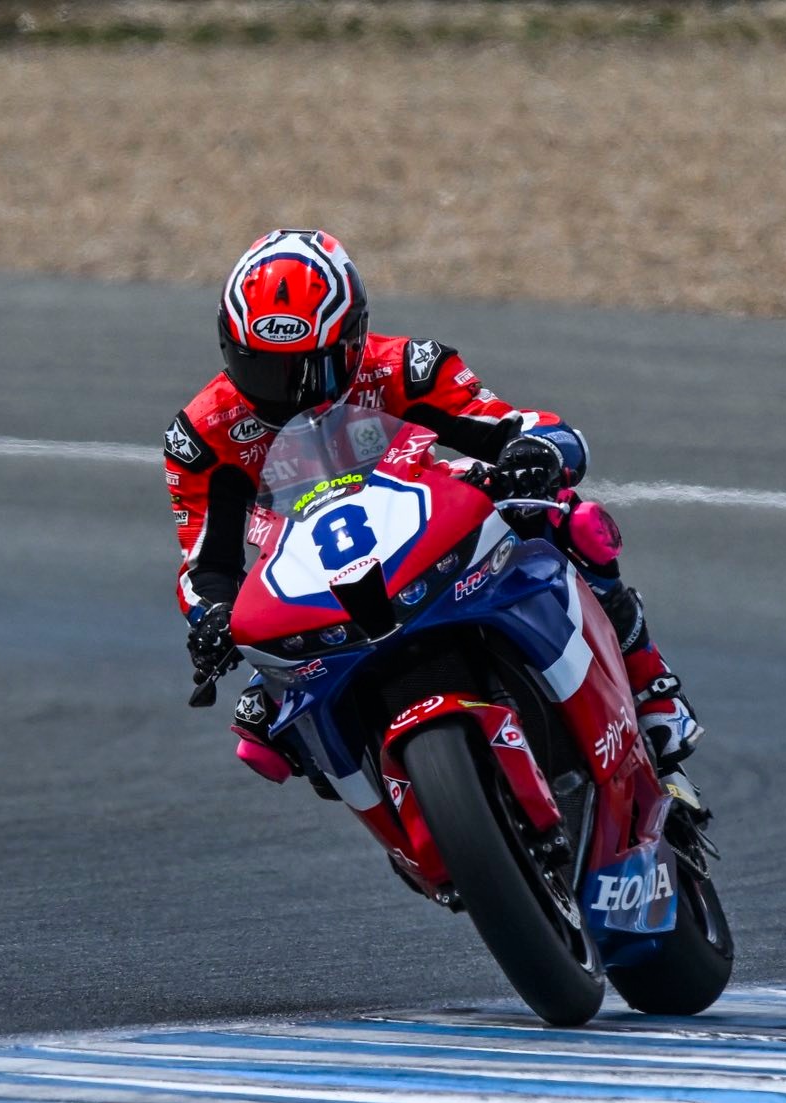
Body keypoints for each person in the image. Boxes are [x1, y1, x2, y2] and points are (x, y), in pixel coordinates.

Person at [166, 228, 700, 773]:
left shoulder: (406, 366)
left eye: (309, 370)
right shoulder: (204, 434)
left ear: (353, 339)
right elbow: (205, 565)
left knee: (564, 516)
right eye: (261, 369)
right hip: (313, 579)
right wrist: (212, 617)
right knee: (263, 726)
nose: (287, 394)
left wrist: (533, 451)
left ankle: (652, 687)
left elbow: (519, 425)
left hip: (429, 531)